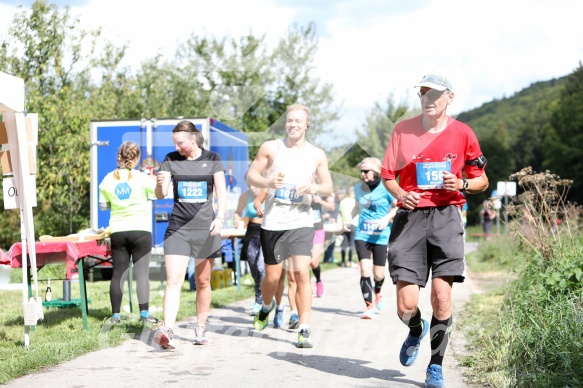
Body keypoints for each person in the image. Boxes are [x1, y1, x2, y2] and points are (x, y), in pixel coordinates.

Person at [381, 74, 489, 387]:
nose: (428, 100)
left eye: (435, 95)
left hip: (446, 216)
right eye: (423, 95)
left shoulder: (464, 133)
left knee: (442, 298)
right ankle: (416, 329)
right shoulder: (403, 130)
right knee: (406, 306)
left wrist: (463, 183)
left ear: (450, 98)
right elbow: (388, 176)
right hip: (410, 216)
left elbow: (481, 180)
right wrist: (401, 194)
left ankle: (436, 367)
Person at [246, 103, 333, 348]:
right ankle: (266, 306)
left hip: (301, 221)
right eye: (289, 120)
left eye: (298, 121)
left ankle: (304, 328)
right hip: (273, 221)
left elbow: (327, 186)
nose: (293, 124)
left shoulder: (316, 154)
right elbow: (251, 175)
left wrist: (314, 188)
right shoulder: (271, 148)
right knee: (272, 278)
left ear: (307, 124)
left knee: (300, 274)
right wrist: (267, 181)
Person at [153, 120, 227, 349]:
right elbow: (161, 194)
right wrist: (159, 184)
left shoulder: (212, 159)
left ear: (193, 139)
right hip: (178, 228)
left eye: (181, 143)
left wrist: (220, 217)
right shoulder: (170, 160)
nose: (177, 147)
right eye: (174, 143)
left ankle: (200, 327)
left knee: (203, 281)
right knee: (173, 281)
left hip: (206, 229)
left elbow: (221, 192)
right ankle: (168, 330)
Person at [98, 141, 159, 325]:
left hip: (118, 230)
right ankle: (144, 315)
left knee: (118, 273)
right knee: (142, 274)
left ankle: (115, 316)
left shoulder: (108, 179)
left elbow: (103, 206)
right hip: (140, 230)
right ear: (137, 158)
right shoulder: (142, 178)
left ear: (119, 156)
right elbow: (157, 194)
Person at [352, 157, 397, 319]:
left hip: (381, 236)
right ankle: (369, 306)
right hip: (362, 234)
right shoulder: (358, 189)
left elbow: (399, 205)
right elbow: (356, 208)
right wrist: (347, 220)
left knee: (378, 274)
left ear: (376, 172)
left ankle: (378, 291)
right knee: (365, 270)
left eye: (366, 171)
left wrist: (386, 218)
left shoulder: (386, 188)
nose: (363, 174)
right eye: (361, 171)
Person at [233, 183, 265, 316]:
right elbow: (237, 213)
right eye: (249, 184)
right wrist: (237, 220)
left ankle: (259, 300)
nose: (252, 187)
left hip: (267, 231)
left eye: (255, 184)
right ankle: (262, 294)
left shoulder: (268, 193)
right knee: (253, 266)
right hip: (251, 231)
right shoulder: (245, 196)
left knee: (261, 267)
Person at [323, 189, 343, 263]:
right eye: (339, 194)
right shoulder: (331, 202)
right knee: (329, 242)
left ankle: (330, 257)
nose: (341, 196)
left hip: (335, 226)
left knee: (333, 241)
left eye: (342, 194)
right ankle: (327, 258)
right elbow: (325, 213)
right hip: (329, 225)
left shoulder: (339, 203)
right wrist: (329, 218)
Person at [339, 187, 357, 267]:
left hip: (344, 224)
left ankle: (343, 262)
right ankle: (350, 261)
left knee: (344, 243)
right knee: (352, 244)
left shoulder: (343, 201)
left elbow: (340, 212)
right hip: (353, 223)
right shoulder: (355, 202)